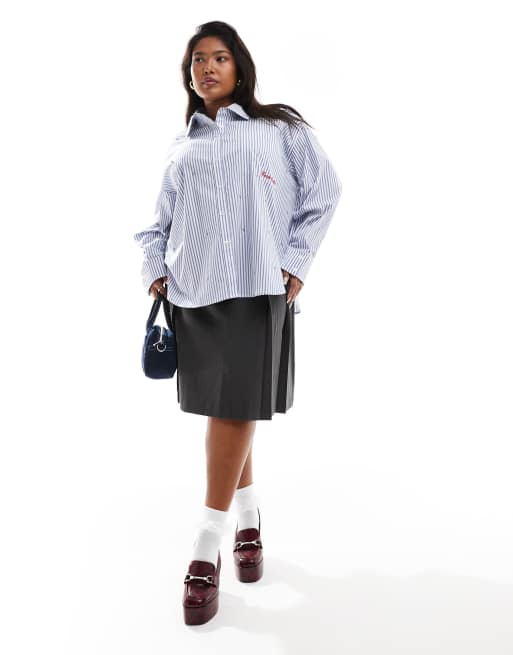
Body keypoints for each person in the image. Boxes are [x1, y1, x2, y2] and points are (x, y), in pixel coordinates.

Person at [133, 20, 342, 625]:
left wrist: (295, 263)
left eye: (219, 57)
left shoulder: (279, 129)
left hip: (257, 290)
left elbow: (324, 192)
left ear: (240, 67)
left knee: (233, 410)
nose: (207, 67)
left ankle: (206, 549)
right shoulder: (182, 146)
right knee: (228, 410)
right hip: (194, 298)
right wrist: (155, 273)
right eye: (197, 60)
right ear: (188, 75)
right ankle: (248, 523)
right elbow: (156, 226)